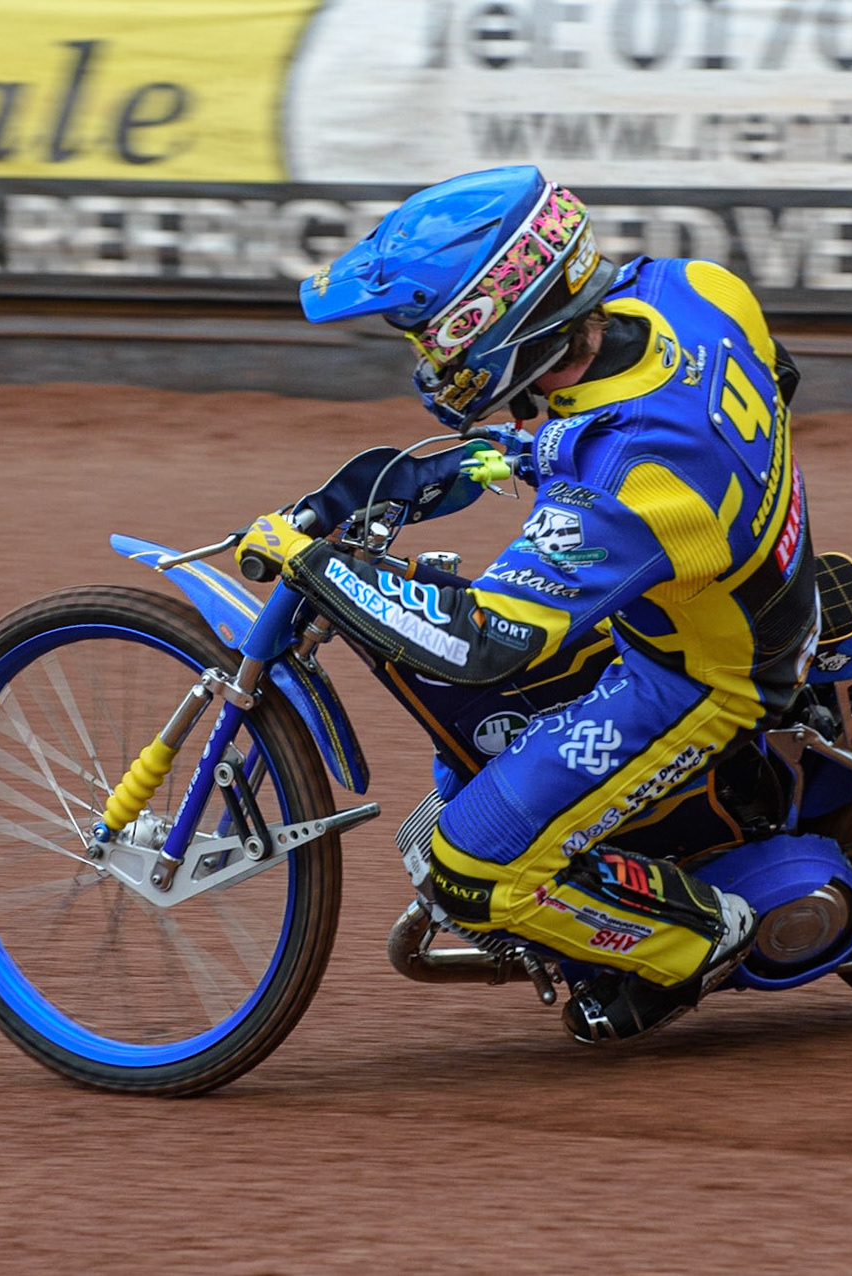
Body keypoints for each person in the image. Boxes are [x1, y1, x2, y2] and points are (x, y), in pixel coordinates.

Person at [237, 166, 817, 1044]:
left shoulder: (632, 480)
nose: (425, 355)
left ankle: (693, 944)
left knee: (469, 866)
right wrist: (528, 451)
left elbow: (484, 642)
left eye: (428, 334)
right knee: (479, 736)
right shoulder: (690, 288)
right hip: (735, 578)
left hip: (703, 678)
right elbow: (777, 376)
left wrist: (318, 567)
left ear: (493, 318)